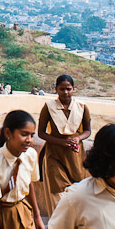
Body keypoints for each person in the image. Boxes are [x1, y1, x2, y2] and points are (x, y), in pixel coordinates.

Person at [37, 75, 91, 216]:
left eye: (68, 89)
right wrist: (61, 142)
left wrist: (78, 138)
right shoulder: (49, 107)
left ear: (73, 89)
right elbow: (41, 133)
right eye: (62, 89)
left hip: (75, 155)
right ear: (56, 89)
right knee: (58, 191)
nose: (65, 92)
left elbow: (88, 130)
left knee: (79, 188)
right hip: (54, 154)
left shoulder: (81, 107)